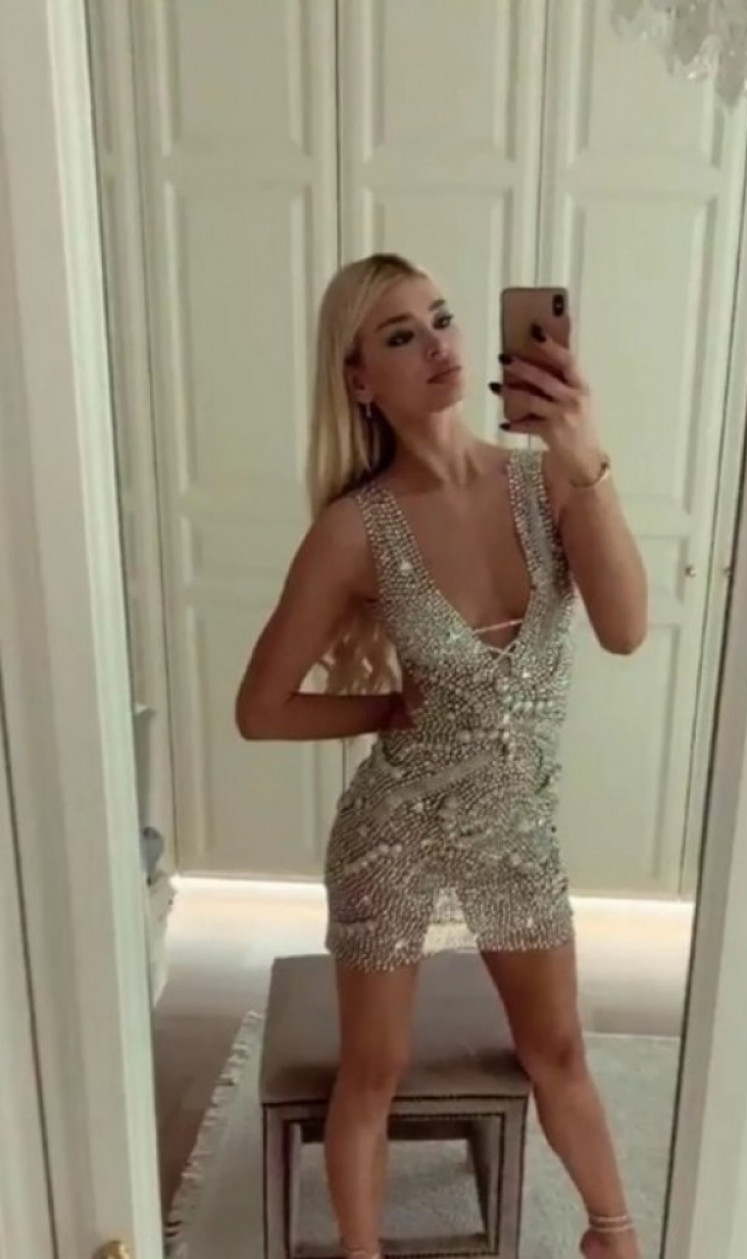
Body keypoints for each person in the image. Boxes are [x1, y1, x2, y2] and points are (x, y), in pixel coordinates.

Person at [236, 254, 649, 1259]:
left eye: (443, 318)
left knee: (559, 1050)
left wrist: (586, 455)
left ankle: (615, 1236)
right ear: (358, 380)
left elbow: (626, 628)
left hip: (515, 831)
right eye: (400, 334)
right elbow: (261, 709)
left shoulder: (547, 480)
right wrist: (391, 706)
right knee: (373, 1069)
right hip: (397, 833)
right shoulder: (354, 529)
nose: (438, 344)